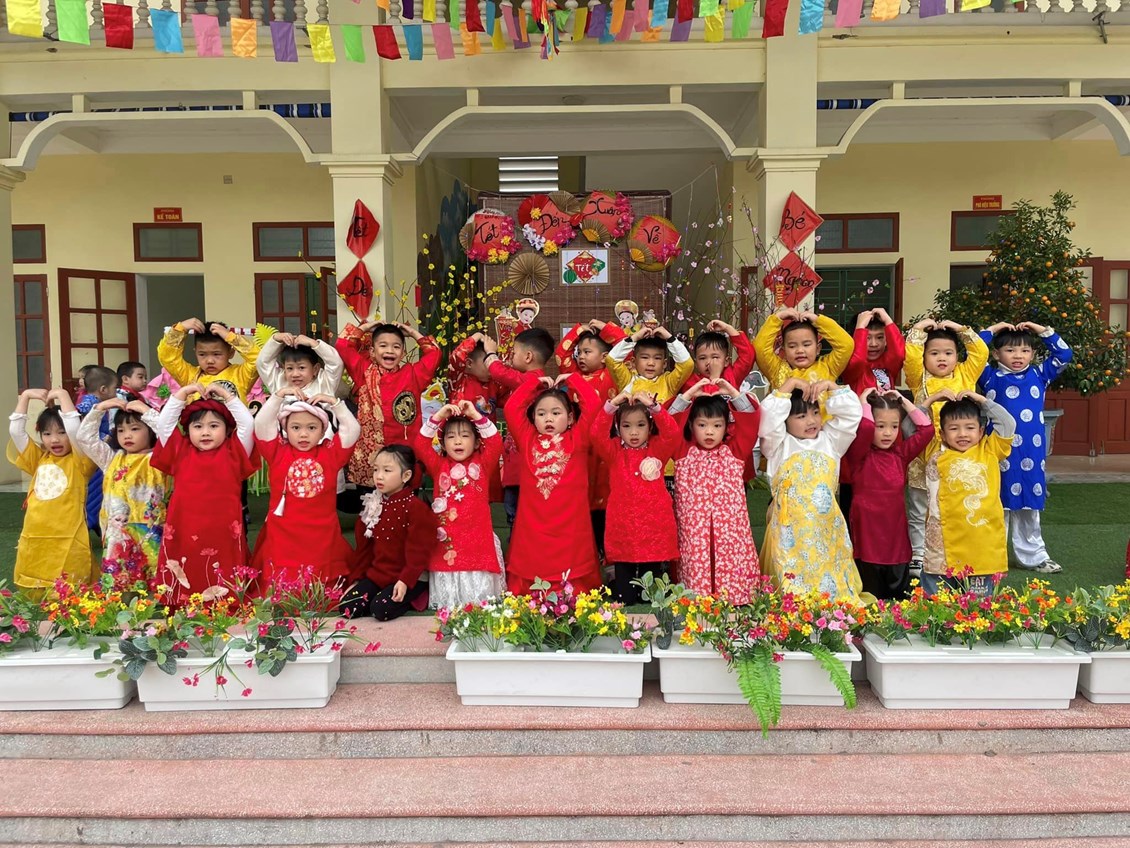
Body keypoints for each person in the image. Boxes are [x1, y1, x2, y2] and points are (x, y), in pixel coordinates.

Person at [978, 321, 1074, 574]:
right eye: (1010, 350)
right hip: (998, 451)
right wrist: (993, 329)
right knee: (997, 503)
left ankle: (1033, 556)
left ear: (1032, 354)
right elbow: (974, 352)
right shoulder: (989, 376)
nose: (1018, 356)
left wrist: (1040, 329)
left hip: (1032, 453)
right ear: (996, 354)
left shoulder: (1039, 375)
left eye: (1024, 350)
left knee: (1029, 504)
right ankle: (992, 557)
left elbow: (1064, 354)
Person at [151, 383, 258, 607]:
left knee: (223, 565)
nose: (205, 432)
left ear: (227, 430)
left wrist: (227, 396)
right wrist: (182, 394)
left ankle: (226, 603)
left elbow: (247, 424)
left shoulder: (234, 451)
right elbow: (164, 424)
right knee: (185, 563)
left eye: (214, 426)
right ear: (188, 430)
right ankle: (181, 602)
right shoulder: (180, 450)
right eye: (197, 426)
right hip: (184, 525)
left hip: (223, 528)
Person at [759, 378, 864, 601]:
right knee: (792, 581)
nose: (811, 421)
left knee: (829, 575)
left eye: (815, 413)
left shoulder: (831, 441)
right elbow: (767, 419)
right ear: (785, 420)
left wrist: (831, 387)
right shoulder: (778, 445)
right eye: (801, 416)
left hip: (826, 527)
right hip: (789, 532)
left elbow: (852, 415)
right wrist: (789, 385)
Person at [904, 319, 990, 576]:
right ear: (925, 357)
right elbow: (910, 355)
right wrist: (918, 330)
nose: (941, 358)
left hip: (960, 457)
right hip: (924, 455)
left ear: (957, 356)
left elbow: (980, 352)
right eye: (934, 353)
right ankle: (918, 554)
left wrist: (960, 329)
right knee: (920, 508)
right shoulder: (918, 377)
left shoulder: (966, 374)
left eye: (948, 353)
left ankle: (957, 551)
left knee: (958, 507)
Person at [504, 373, 602, 595]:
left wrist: (573, 379)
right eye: (541, 414)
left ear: (570, 418)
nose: (548, 419)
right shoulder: (526, 438)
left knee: (573, 570)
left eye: (556, 413)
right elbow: (511, 408)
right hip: (533, 524)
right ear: (533, 418)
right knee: (530, 563)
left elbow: (593, 404)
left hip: (570, 524)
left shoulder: (579, 438)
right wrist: (534, 383)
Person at [251, 389, 358, 588]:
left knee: (322, 583)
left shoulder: (331, 454)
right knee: (283, 584)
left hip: (321, 532)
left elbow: (352, 430)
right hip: (284, 531)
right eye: (295, 427)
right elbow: (261, 424)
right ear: (285, 429)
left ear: (322, 431)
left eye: (312, 427)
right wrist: (278, 396)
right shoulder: (276, 452)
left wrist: (335, 404)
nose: (303, 434)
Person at [668, 379, 761, 603]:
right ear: (691, 425)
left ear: (727, 426)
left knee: (731, 563)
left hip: (731, 533)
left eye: (717, 425)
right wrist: (688, 395)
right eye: (702, 425)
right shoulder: (682, 452)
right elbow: (668, 424)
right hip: (694, 533)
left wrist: (733, 394)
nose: (709, 432)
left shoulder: (735, 451)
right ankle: (696, 596)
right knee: (695, 567)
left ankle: (736, 595)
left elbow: (750, 421)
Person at [844, 389, 938, 601]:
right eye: (880, 426)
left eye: (894, 426)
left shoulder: (900, 455)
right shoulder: (858, 455)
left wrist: (903, 401)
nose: (888, 433)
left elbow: (927, 430)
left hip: (896, 539)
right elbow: (864, 428)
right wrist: (862, 401)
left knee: (899, 599)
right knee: (870, 598)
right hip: (867, 537)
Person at [590, 389, 681, 605]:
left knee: (651, 598)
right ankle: (616, 583)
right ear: (617, 427)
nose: (633, 432)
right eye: (626, 426)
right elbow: (596, 434)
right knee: (626, 599)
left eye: (640, 425)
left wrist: (654, 407)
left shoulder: (657, 449)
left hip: (653, 525)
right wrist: (612, 404)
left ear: (650, 426)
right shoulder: (614, 452)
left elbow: (672, 433)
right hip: (624, 526)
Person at [922, 392, 1016, 597]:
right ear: (942, 433)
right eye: (954, 428)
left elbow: (1008, 423)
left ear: (981, 431)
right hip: (941, 545)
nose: (962, 434)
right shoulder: (933, 451)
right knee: (936, 606)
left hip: (980, 545)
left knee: (977, 607)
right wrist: (931, 400)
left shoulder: (990, 450)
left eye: (970, 428)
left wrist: (980, 400)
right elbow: (913, 429)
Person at [413, 400, 505, 609]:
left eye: (464, 435)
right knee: (449, 605)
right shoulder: (438, 466)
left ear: (476, 442)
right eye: (451, 436)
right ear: (443, 443)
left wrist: (475, 415)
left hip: (477, 540)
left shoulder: (483, 464)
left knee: (480, 608)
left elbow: (495, 442)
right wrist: (439, 416)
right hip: (448, 541)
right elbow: (420, 444)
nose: (457, 441)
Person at [72, 395, 168, 590]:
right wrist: (100, 408)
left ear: (150, 430)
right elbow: (85, 438)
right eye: (121, 430)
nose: (127, 435)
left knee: (154, 579)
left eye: (135, 429)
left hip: (152, 533)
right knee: (119, 582)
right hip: (117, 535)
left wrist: (146, 411)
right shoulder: (111, 459)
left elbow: (169, 435)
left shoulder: (161, 458)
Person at [335, 320, 441, 497]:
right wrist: (367, 327)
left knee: (405, 505)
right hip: (371, 456)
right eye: (383, 345)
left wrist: (411, 332)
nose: (390, 351)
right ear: (372, 351)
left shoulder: (413, 374)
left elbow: (434, 353)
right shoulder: (364, 372)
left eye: (396, 346)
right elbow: (343, 345)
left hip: (403, 453)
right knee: (370, 506)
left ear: (403, 353)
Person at [7, 388, 97, 593]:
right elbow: (16, 432)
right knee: (36, 581)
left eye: (61, 432)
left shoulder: (81, 461)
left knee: (72, 584)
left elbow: (76, 432)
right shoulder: (38, 459)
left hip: (69, 535)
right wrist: (26, 396)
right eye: (47, 434)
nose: (54, 440)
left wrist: (63, 395)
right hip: (35, 533)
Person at [555, 318, 629, 564]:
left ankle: (609, 555)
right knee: (581, 498)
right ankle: (585, 555)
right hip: (580, 446)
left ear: (605, 356)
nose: (581, 356)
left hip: (607, 444)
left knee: (607, 498)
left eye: (588, 352)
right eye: (580, 352)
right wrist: (578, 330)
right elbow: (561, 355)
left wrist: (604, 327)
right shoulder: (573, 376)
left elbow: (624, 345)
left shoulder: (613, 373)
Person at [343, 445, 439, 621]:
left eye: (387, 470)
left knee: (380, 610)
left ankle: (417, 595)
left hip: (410, 576)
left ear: (406, 476)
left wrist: (405, 581)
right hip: (379, 573)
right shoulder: (373, 503)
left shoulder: (416, 508)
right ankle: (378, 593)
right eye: (376, 470)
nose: (379, 476)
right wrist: (357, 579)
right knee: (349, 607)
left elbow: (419, 553)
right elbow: (364, 548)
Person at [475, 327, 554, 528]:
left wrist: (491, 354)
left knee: (518, 516)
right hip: (519, 462)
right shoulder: (529, 380)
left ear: (528, 357)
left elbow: (499, 373)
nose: (511, 356)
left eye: (514, 352)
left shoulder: (532, 380)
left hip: (523, 463)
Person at [157, 318, 261, 403]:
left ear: (231, 353)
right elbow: (167, 358)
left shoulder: (240, 375)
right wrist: (180, 329)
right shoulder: (190, 376)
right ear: (195, 352)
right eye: (202, 354)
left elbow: (259, 358)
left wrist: (231, 337)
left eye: (217, 354)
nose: (210, 360)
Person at [753, 307, 854, 390]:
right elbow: (760, 348)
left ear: (818, 349)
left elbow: (846, 345)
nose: (800, 351)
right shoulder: (776, 370)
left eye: (806, 345)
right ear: (784, 349)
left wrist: (818, 321)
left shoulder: (828, 367)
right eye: (792, 346)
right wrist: (778, 317)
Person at [75, 365, 119, 537]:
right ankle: (90, 523)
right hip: (91, 453)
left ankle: (95, 523)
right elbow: (81, 421)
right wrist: (103, 437)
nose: (116, 392)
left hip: (96, 450)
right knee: (94, 488)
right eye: (115, 388)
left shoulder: (98, 402)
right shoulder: (90, 403)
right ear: (103, 389)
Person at [605, 324, 694, 404]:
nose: (651, 363)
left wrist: (670, 338)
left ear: (664, 364)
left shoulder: (668, 383)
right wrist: (634, 338)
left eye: (657, 358)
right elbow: (611, 360)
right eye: (645, 357)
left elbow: (687, 364)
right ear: (633, 362)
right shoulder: (627, 380)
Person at [256, 332, 344, 398]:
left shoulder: (324, 383)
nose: (295, 374)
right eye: (290, 368)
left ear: (315, 369)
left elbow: (336, 363)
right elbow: (263, 363)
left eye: (301, 368)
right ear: (284, 368)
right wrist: (276, 339)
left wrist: (313, 343)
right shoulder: (278, 381)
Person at [682, 319, 756, 395]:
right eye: (702, 358)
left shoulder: (732, 375)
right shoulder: (692, 383)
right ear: (696, 363)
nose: (709, 363)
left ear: (726, 361)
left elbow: (748, 355)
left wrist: (727, 328)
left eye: (715, 357)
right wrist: (714, 377)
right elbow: (710, 401)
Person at [842, 308, 906, 395]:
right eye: (867, 338)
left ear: (886, 340)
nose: (873, 344)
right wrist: (860, 326)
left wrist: (888, 321)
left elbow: (899, 354)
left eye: (879, 337)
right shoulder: (849, 365)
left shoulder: (888, 364)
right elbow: (857, 361)